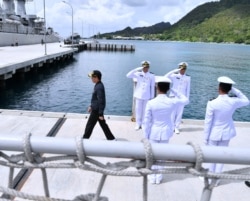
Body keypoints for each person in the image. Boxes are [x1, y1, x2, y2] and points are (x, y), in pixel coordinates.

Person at [204, 76, 249, 185]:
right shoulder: (233, 101)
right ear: (229, 88)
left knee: (212, 157)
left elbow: (208, 122)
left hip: (214, 134)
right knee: (221, 157)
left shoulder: (212, 103)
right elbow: (247, 101)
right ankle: (217, 179)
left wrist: (205, 138)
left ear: (219, 87)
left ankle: (210, 179)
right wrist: (233, 89)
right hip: (226, 133)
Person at [143, 76, 189, 184]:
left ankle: (152, 177)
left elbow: (146, 122)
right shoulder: (172, 102)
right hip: (166, 132)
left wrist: (146, 136)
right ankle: (158, 177)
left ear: (157, 87)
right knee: (162, 156)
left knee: (152, 155)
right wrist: (174, 90)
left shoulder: (151, 103)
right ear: (168, 88)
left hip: (153, 132)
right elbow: (186, 100)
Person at [83, 70, 116, 140]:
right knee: (103, 125)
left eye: (92, 77)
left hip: (96, 111)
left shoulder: (99, 87)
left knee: (89, 126)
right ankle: (111, 138)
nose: (91, 79)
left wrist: (100, 114)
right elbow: (95, 99)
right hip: (96, 109)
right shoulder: (98, 85)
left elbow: (101, 101)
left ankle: (84, 139)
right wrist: (91, 106)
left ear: (96, 77)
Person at [126, 61, 155, 130]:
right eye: (144, 67)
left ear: (149, 67)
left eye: (147, 67)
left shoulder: (151, 75)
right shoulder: (138, 74)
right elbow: (128, 75)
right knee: (138, 110)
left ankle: (144, 124)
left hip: (147, 96)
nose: (145, 69)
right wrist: (137, 69)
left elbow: (152, 86)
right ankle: (138, 124)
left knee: (145, 111)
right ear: (142, 67)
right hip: (139, 95)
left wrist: (152, 97)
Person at [164, 62, 191, 134]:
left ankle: (177, 127)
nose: (183, 70)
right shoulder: (174, 75)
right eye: (181, 69)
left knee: (179, 113)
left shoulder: (187, 77)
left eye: (184, 69)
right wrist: (174, 70)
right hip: (173, 96)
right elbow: (165, 77)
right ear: (179, 68)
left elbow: (188, 89)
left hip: (182, 97)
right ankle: (171, 127)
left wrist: (187, 99)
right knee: (172, 113)